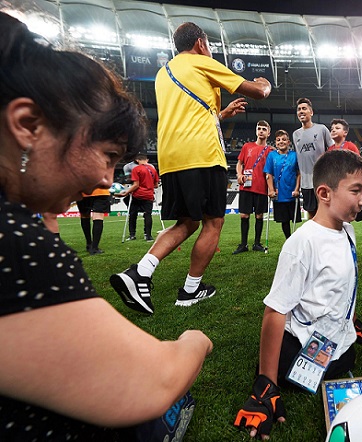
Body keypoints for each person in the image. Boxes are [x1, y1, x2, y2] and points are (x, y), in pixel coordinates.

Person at [0, 12, 212, 440]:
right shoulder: (17, 244)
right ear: (27, 125)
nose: (105, 179)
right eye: (108, 154)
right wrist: (195, 341)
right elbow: (154, 382)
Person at [110, 22, 271, 314]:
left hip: (171, 157)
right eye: (208, 43)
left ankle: (139, 273)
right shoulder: (203, 62)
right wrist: (264, 83)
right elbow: (258, 92)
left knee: (186, 222)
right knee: (213, 222)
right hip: (203, 155)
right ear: (200, 42)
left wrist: (221, 113)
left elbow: (190, 115)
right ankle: (190, 290)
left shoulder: (163, 73)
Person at [234, 150, 362, 440]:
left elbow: (346, 285)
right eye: (356, 190)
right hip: (303, 348)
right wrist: (265, 385)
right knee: (289, 369)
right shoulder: (302, 243)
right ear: (324, 193)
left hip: (340, 348)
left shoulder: (349, 231)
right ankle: (269, 369)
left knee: (344, 362)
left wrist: (352, 324)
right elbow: (275, 310)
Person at [233, 120, 273, 254]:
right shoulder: (247, 147)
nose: (261, 131)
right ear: (256, 131)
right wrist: (239, 174)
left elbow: (271, 171)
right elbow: (239, 163)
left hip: (261, 188)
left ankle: (257, 243)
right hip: (246, 186)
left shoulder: (270, 151)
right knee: (244, 215)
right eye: (259, 128)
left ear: (268, 133)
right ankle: (243, 244)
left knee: (259, 216)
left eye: (264, 129)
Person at [292, 97, 333, 218]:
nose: (301, 111)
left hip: (322, 180)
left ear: (311, 112)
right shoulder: (296, 134)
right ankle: (314, 237)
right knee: (311, 214)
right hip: (306, 183)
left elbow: (332, 150)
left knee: (326, 212)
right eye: (299, 109)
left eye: (304, 108)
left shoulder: (321, 129)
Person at [264, 130, 301, 240]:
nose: (281, 142)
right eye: (278, 140)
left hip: (292, 193)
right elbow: (268, 174)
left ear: (289, 142)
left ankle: (294, 240)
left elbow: (299, 173)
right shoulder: (272, 156)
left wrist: (297, 189)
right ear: (275, 142)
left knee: (294, 220)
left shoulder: (295, 155)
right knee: (284, 221)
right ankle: (288, 240)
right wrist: (271, 190)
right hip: (279, 194)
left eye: (284, 140)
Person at [329, 118, 362, 222]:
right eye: (332, 128)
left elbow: (360, 165)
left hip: (348, 185)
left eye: (337, 128)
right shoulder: (330, 149)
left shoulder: (350, 146)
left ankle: (346, 235)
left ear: (345, 132)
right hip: (335, 186)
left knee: (346, 216)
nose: (333, 130)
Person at [118, 154, 159, 241]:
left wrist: (127, 192)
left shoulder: (136, 169)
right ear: (146, 160)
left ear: (137, 160)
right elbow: (156, 185)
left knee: (133, 214)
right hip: (149, 195)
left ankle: (132, 235)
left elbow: (136, 185)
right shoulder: (153, 169)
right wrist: (149, 186)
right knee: (148, 215)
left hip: (137, 195)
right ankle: (148, 236)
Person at [77, 188, 111, 255]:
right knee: (98, 216)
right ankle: (94, 248)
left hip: (83, 192)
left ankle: (89, 244)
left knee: (84, 215)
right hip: (100, 191)